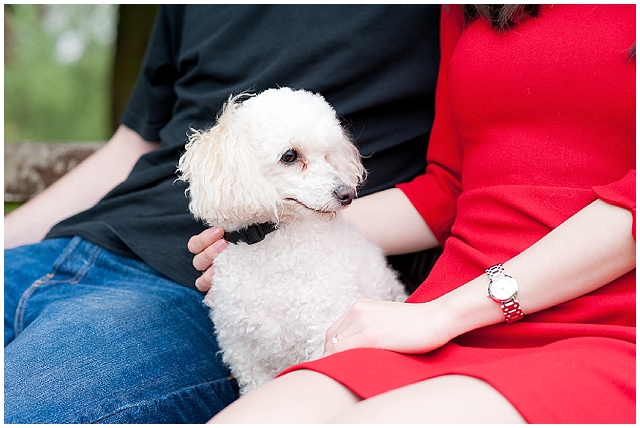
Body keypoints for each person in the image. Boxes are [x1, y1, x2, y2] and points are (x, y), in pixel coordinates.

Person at [195, 4, 636, 423]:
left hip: (603, 323)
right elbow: (447, 189)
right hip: (436, 317)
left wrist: (445, 314)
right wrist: (270, 238)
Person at [3, 5, 442, 424]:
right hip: (68, 245)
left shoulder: (449, 12)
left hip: (189, 291)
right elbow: (132, 146)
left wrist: (284, 239)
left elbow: (457, 189)